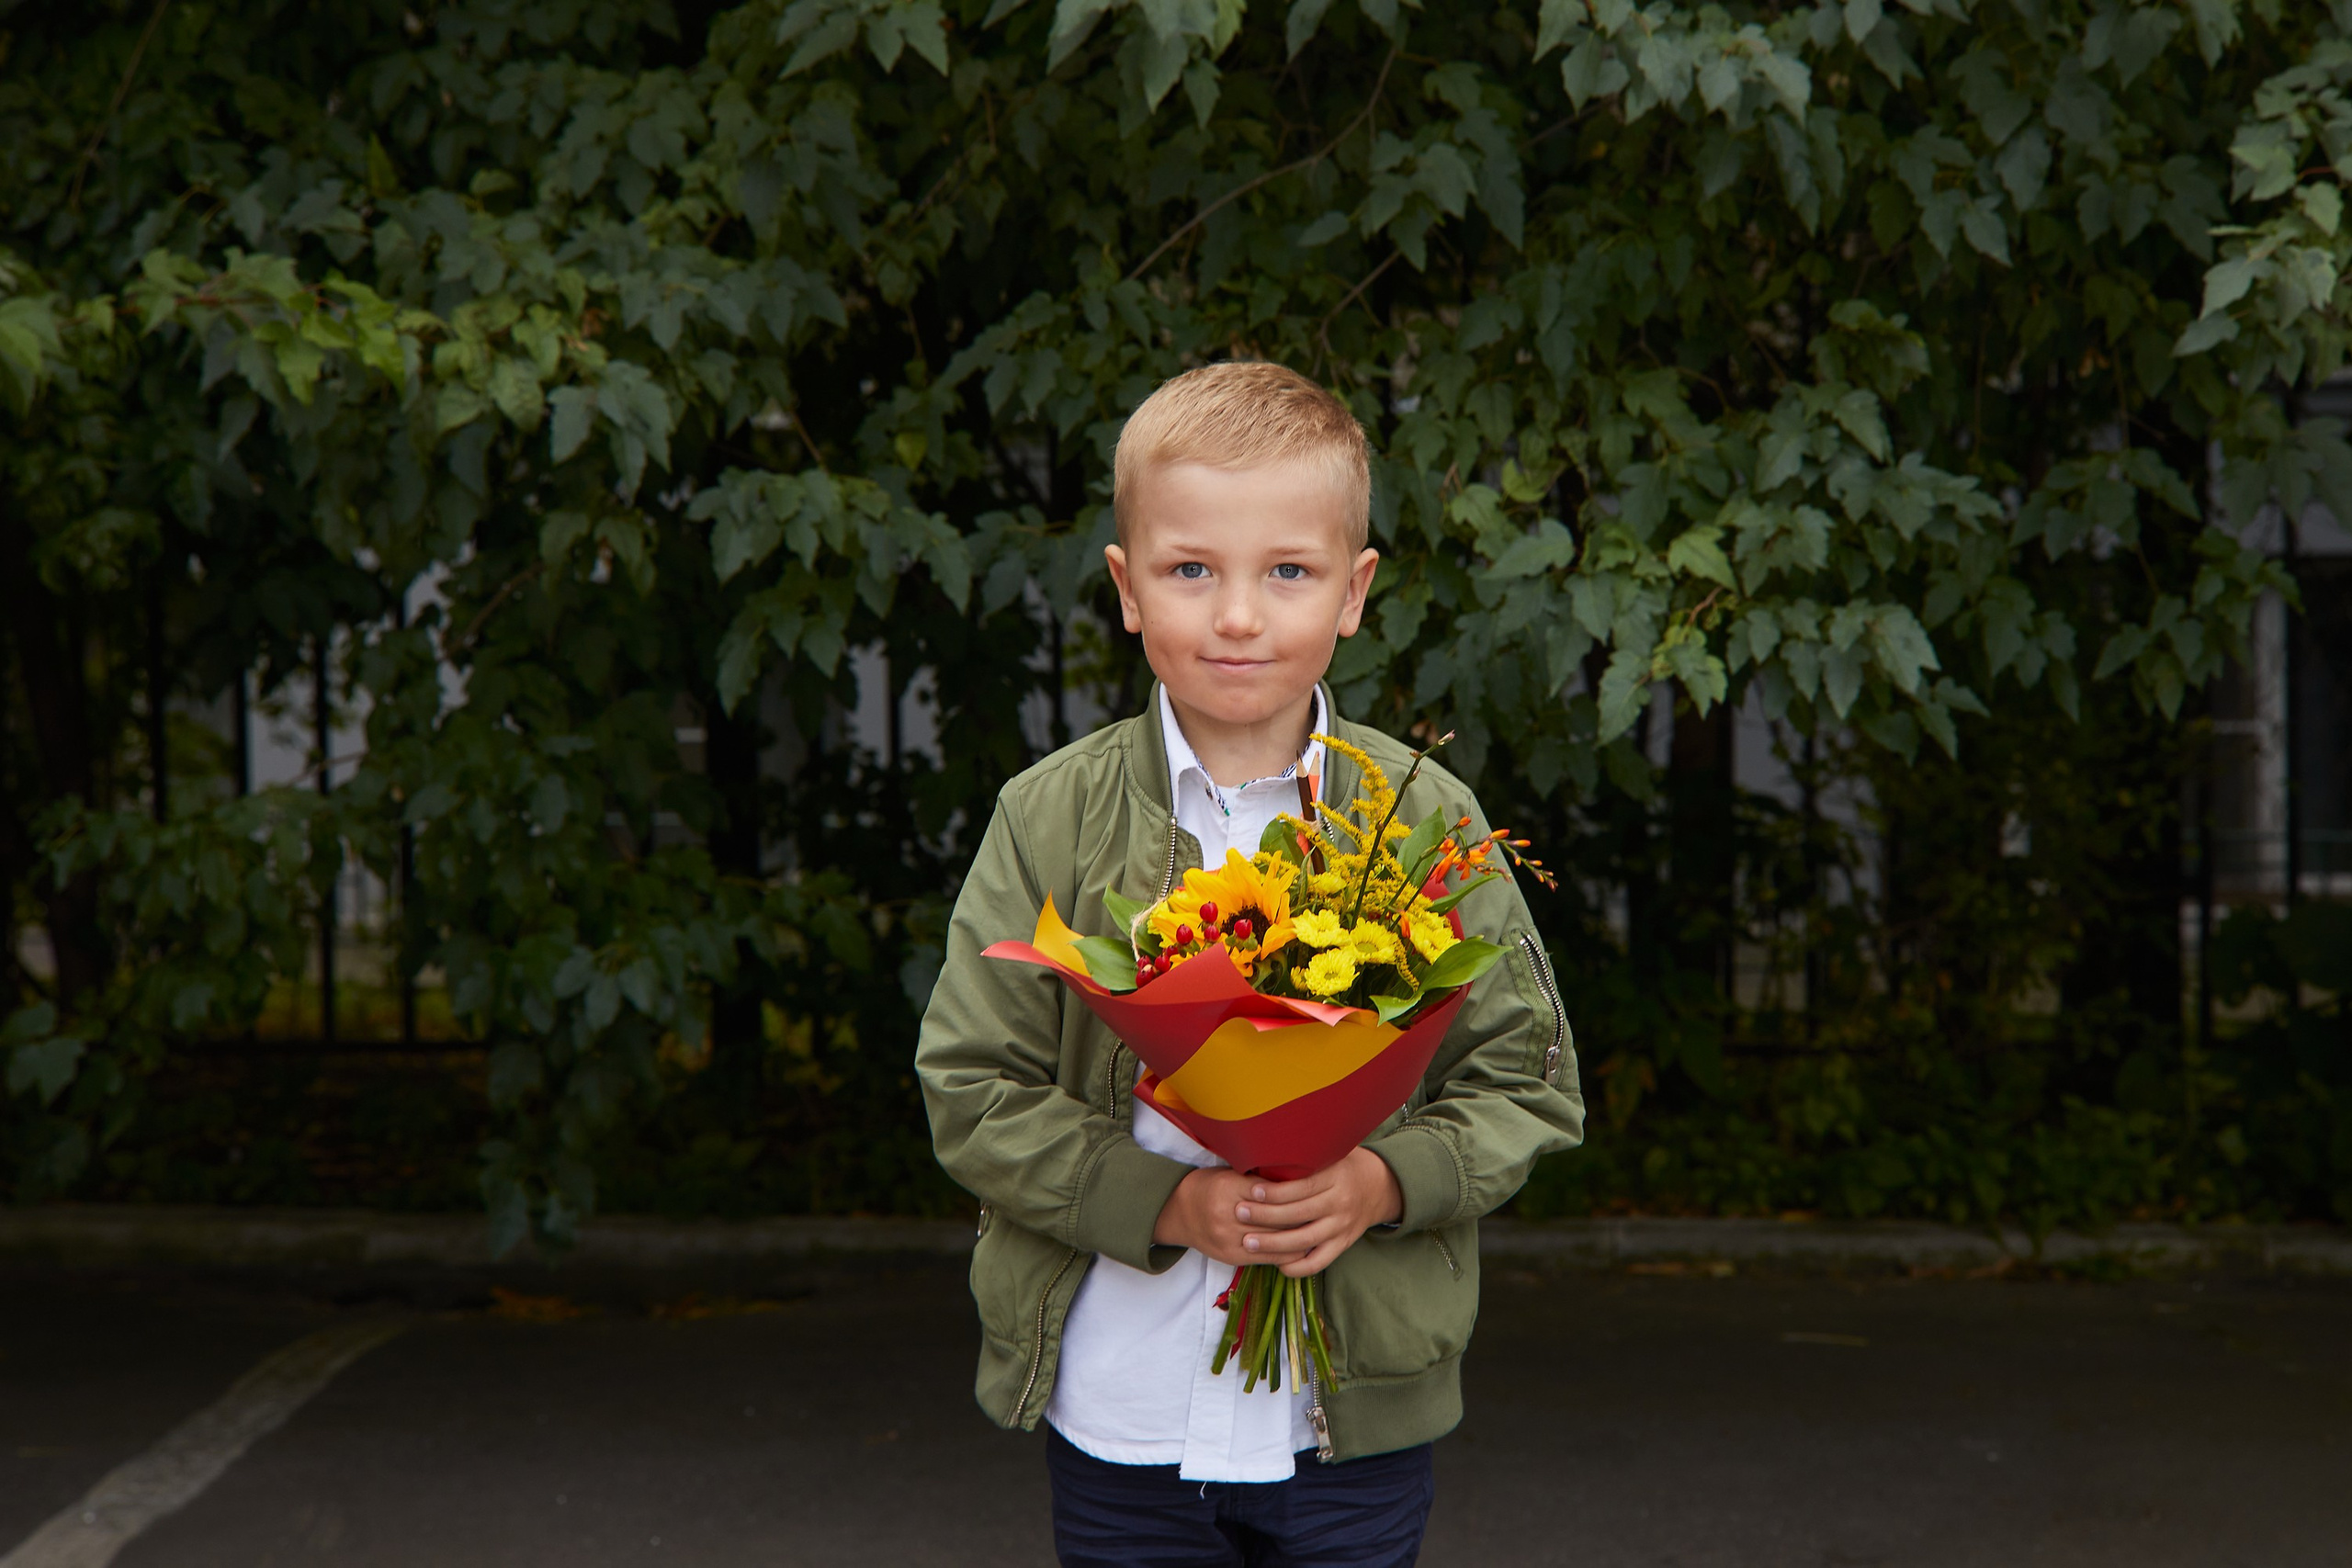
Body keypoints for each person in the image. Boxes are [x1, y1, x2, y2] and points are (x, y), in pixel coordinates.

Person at [917, 361, 1584, 1567]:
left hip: (1353, 1429)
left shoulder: (1423, 821)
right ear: (1126, 589)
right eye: (1190, 570)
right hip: (1124, 1417)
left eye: (1287, 570)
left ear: (1353, 592)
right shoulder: (1049, 818)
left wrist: (1378, 1184)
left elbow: (1527, 1087)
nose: (1236, 615)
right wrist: (1165, 1202)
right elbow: (972, 1089)